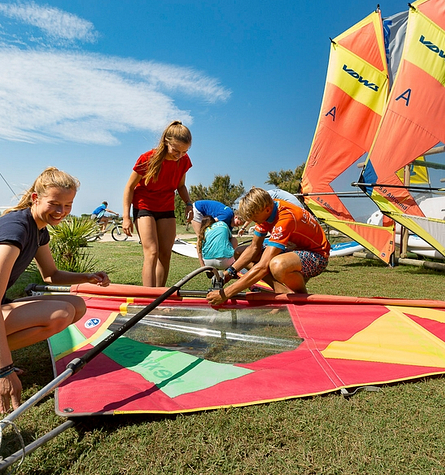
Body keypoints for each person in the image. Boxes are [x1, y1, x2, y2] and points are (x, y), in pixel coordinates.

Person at [0, 167, 110, 413]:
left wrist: (87, 277)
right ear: (35, 198)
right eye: (55, 204)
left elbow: (51, 274)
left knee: (76, 306)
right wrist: (4, 370)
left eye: (68, 205)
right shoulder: (16, 229)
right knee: (60, 313)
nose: (61, 212)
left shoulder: (37, 228)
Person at [207, 187, 330, 305]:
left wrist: (226, 293)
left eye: (255, 218)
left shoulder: (285, 218)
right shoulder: (268, 210)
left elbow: (262, 267)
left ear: (266, 210)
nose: (255, 222)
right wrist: (229, 272)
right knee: (239, 252)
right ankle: (282, 291)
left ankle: (301, 299)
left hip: (318, 257)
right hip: (295, 250)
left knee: (277, 265)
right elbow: (253, 248)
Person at [122, 120, 194, 287]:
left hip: (166, 206)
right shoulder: (147, 158)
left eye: (184, 151)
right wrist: (125, 217)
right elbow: (129, 187)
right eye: (176, 150)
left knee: (165, 254)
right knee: (152, 252)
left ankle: (159, 297)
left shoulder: (183, 160)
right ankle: (148, 301)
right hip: (144, 205)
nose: (180, 156)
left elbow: (181, 185)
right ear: (165, 142)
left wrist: (189, 204)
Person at [237, 189, 304, 236]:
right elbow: (254, 215)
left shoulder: (263, 199)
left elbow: (255, 214)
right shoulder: (264, 196)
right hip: (298, 211)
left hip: (295, 213)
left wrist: (243, 227)